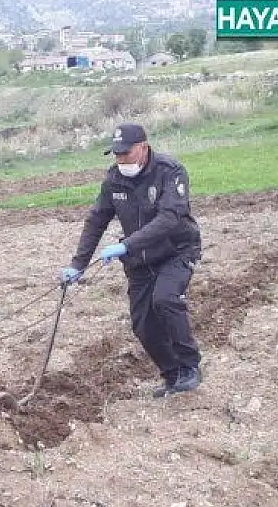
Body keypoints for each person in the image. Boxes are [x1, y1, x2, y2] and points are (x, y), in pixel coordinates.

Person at [60, 123, 203, 397]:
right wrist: (78, 264)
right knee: (143, 325)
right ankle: (172, 375)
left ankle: (190, 367)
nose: (120, 159)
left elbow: (169, 219)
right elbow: (96, 220)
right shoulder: (114, 179)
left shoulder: (170, 172)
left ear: (143, 147)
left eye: (125, 153)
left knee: (165, 299)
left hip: (176, 251)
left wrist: (125, 245)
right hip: (140, 262)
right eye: (116, 154)